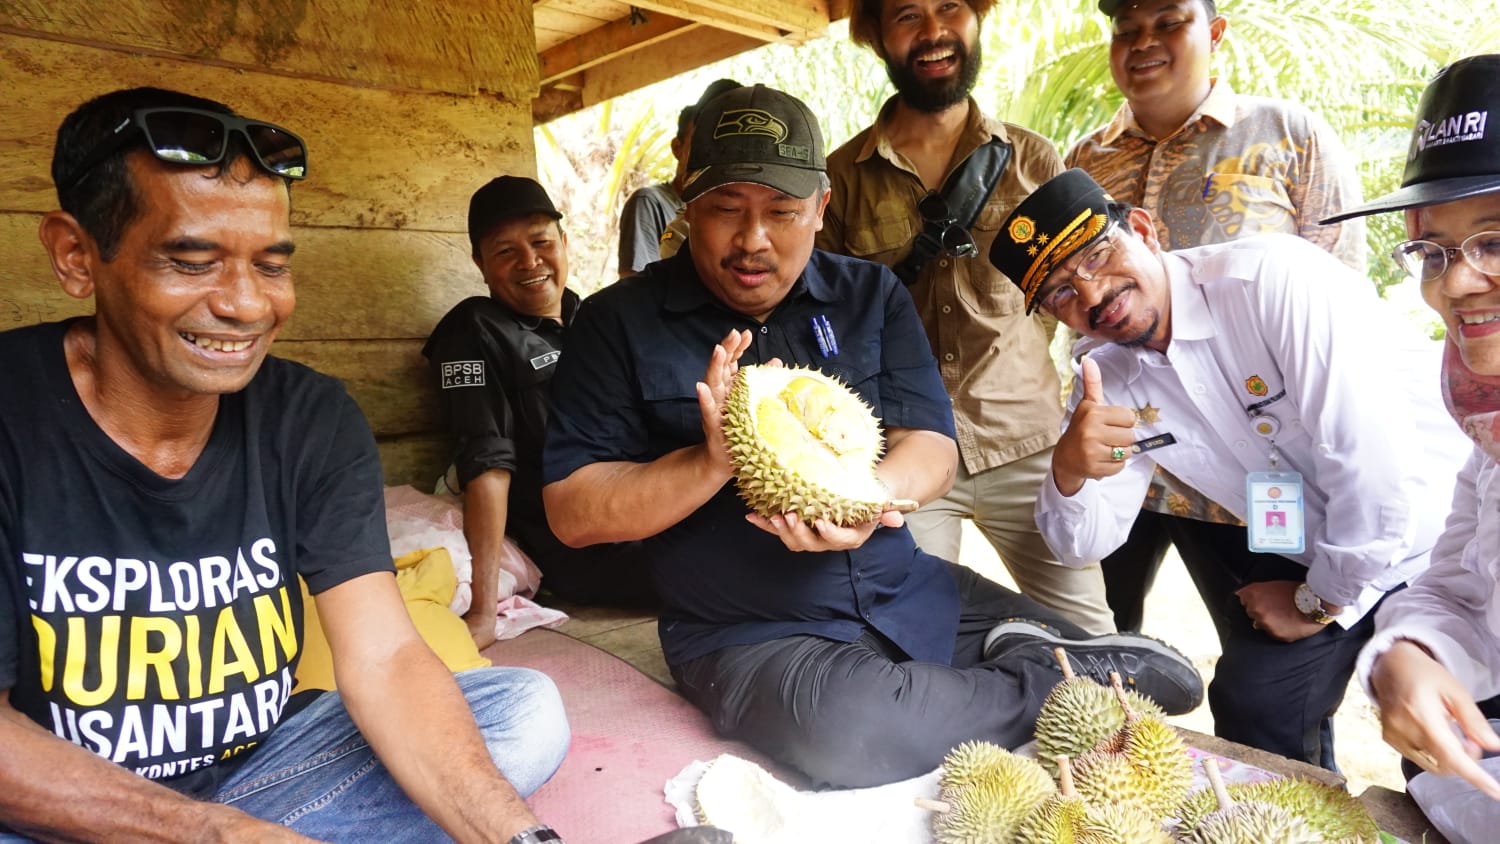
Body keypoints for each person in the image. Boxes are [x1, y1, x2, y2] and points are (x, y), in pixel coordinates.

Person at [541, 83, 1203, 789]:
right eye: (725, 210)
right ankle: (1050, 680)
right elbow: (573, 513)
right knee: (857, 739)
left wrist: (864, 496)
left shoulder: (869, 295)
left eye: (783, 213)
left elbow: (933, 448)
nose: (753, 240)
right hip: (752, 633)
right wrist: (709, 463)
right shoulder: (617, 323)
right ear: (687, 203)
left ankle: (1031, 671)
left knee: (1173, 695)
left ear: (822, 207)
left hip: (908, 590)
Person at [0, 87, 569, 842]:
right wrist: (214, 836)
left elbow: (386, 656)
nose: (243, 305)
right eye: (191, 261)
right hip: (60, 803)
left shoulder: (310, 418)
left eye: (270, 265)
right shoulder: (13, 412)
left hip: (260, 776)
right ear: (78, 256)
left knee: (521, 713)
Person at [991, 167, 1468, 770]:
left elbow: (1376, 478)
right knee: (1253, 707)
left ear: (1142, 228)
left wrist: (1315, 601)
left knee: (1446, 746)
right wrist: (1070, 471)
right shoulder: (1105, 375)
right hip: (1327, 557)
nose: (1091, 295)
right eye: (1059, 293)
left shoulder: (1272, 281)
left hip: (1449, 539)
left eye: (1097, 254)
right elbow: (1083, 541)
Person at [1064, 0, 1368, 634]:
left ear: (1215, 32)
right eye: (1126, 29)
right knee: (1104, 658)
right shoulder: (1085, 160)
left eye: (1168, 21)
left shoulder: (1290, 136)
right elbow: (1074, 313)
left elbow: (1342, 304)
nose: (1143, 41)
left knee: (1269, 690)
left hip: (1259, 479)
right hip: (1133, 465)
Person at [816, 0, 1115, 636]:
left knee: (1092, 640)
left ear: (977, 18)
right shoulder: (841, 179)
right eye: (906, 16)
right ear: (875, 36)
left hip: (1029, 445)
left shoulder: (1033, 159)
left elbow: (1066, 297)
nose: (932, 33)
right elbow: (835, 326)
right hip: (905, 451)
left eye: (950, 7)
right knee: (907, 636)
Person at [1335, 54, 1500, 800]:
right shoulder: (1484, 427)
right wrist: (1403, 653)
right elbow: (1457, 590)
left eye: (1494, 242)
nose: (1455, 280)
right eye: (1432, 251)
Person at [425, 175, 656, 647]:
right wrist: (483, 611)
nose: (530, 262)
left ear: (564, 243)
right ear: (479, 263)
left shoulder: (593, 319)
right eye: (505, 251)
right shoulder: (473, 330)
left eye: (541, 242)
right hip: (589, 548)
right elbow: (486, 463)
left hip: (655, 510)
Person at [618, 78, 741, 277]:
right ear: (678, 148)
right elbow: (633, 283)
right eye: (702, 144)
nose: (714, 155)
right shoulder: (651, 203)